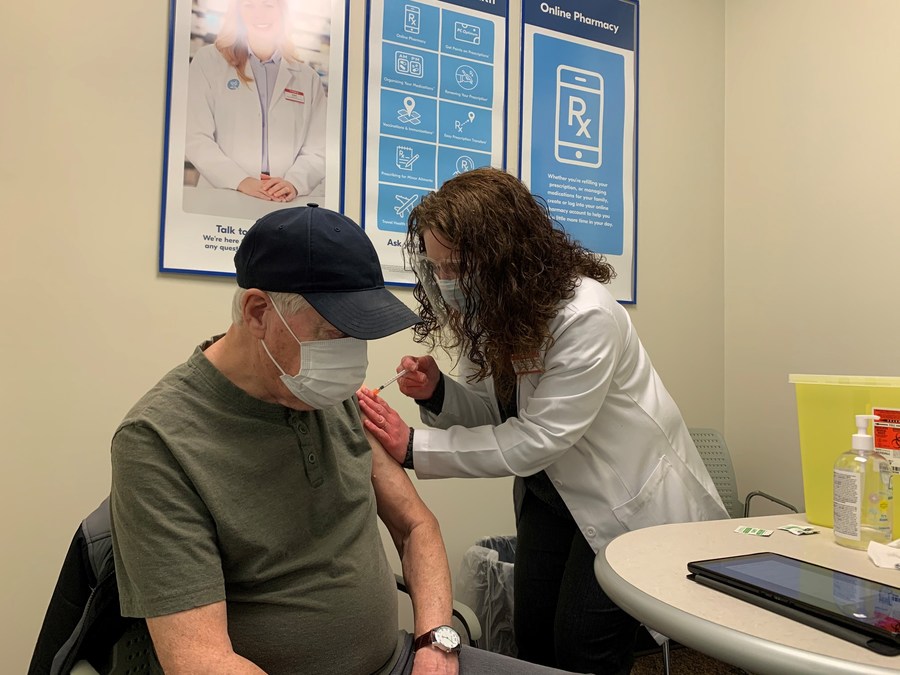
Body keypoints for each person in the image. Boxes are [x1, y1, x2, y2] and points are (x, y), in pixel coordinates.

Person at [110, 204, 576, 675]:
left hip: (402, 660)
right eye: (334, 335)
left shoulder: (323, 397)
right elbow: (199, 660)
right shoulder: (159, 441)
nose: (350, 362)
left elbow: (416, 527)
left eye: (359, 337)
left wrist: (437, 643)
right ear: (257, 312)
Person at [357, 168, 730, 675]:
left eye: (459, 267)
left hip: (619, 500)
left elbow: (539, 437)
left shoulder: (585, 317)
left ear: (506, 254)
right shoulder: (494, 313)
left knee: (585, 646)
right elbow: (499, 411)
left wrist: (413, 448)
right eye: (438, 267)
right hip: (549, 496)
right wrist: (439, 392)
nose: (447, 283)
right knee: (533, 636)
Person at [185, 0, 326, 203]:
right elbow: (195, 137)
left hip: (285, 201)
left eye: (268, 5)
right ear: (238, 12)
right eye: (249, 5)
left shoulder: (307, 77)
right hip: (224, 194)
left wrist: (294, 182)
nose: (259, 14)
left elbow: (318, 149)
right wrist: (241, 181)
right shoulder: (209, 61)